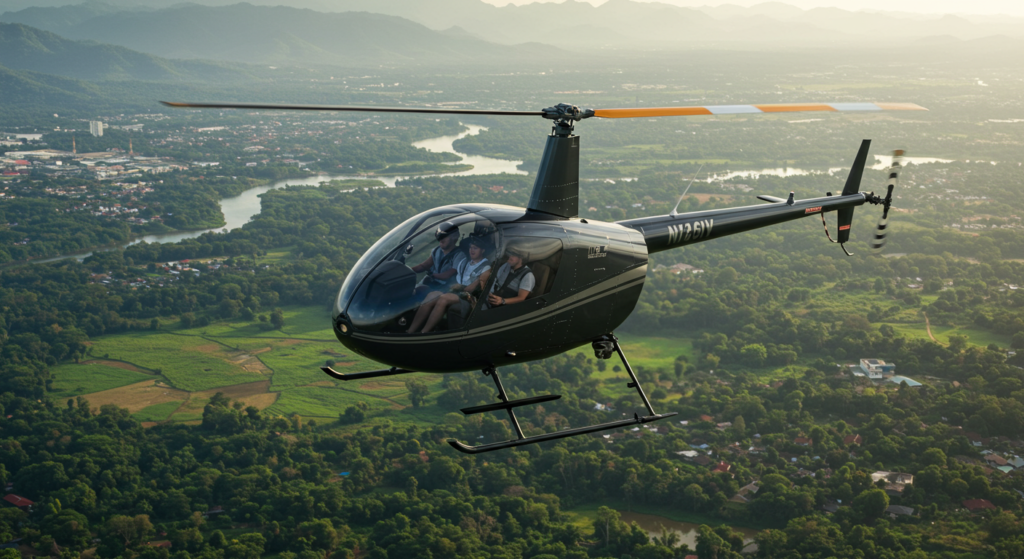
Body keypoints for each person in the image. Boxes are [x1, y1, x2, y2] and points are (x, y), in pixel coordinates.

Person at [407, 236, 491, 333]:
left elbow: (471, 290)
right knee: (431, 295)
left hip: (470, 298)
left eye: (475, 248)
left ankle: (424, 332)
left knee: (443, 299)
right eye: (470, 247)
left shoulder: (486, 267)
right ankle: (410, 331)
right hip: (458, 292)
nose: (471, 250)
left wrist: (461, 286)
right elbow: (457, 281)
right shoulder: (464, 263)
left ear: (483, 250)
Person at [410, 221, 466, 297]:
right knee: (410, 291)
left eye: (444, 237)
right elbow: (424, 265)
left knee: (420, 290)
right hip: (432, 282)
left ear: (454, 237)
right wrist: (408, 270)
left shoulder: (459, 255)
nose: (441, 240)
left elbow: (449, 274)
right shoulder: (437, 250)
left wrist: (433, 275)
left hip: (445, 286)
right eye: (439, 236)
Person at [486, 244, 535, 309]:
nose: (510, 257)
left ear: (521, 258)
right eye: (510, 254)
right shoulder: (506, 265)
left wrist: (502, 301)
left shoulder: (527, 275)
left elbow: (521, 298)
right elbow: (496, 279)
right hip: (494, 299)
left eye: (513, 255)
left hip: (508, 307)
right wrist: (490, 293)